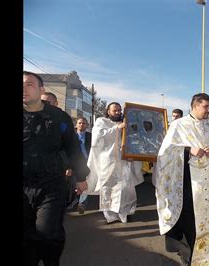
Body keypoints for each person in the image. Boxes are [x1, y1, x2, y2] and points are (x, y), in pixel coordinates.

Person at [23, 71, 89, 266]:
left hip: (51, 185)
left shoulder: (59, 117)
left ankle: (52, 260)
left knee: (47, 233)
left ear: (41, 89)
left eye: (29, 84)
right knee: (26, 235)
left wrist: (81, 177)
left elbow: (73, 148)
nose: (24, 89)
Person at [155, 93, 209, 265]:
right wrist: (187, 150)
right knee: (189, 223)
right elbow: (165, 153)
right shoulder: (179, 125)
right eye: (205, 107)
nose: (208, 110)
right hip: (188, 184)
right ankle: (189, 256)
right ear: (194, 106)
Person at [85, 102, 138, 223]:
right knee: (109, 188)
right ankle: (111, 216)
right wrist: (116, 128)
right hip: (108, 161)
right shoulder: (101, 121)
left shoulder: (126, 122)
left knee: (126, 188)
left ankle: (126, 212)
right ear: (108, 111)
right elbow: (98, 138)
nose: (118, 112)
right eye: (115, 110)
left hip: (124, 160)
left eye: (119, 110)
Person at [74, 117, 92, 214]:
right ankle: (76, 201)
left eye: (84, 123)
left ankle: (82, 204)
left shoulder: (91, 136)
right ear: (76, 125)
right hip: (75, 163)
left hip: (87, 162)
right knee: (75, 183)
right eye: (80, 123)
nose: (81, 125)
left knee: (85, 183)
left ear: (87, 126)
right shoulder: (71, 136)